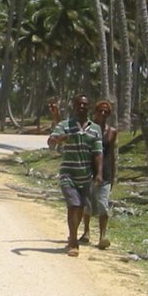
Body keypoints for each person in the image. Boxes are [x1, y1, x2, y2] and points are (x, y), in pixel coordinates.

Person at [47, 94, 102, 256]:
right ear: (74, 106)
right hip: (68, 174)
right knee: (74, 205)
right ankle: (73, 242)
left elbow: (98, 153)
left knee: (80, 208)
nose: (82, 107)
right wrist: (60, 139)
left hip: (85, 175)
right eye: (79, 104)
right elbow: (51, 140)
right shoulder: (65, 125)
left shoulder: (95, 129)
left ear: (89, 107)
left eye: (85, 104)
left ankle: (73, 235)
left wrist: (98, 173)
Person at [82, 99, 117, 250]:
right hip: (88, 170)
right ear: (95, 111)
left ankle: (102, 236)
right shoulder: (88, 128)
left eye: (106, 111)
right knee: (87, 205)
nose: (103, 113)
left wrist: (113, 175)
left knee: (103, 205)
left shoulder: (112, 132)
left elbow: (112, 154)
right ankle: (86, 232)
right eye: (100, 110)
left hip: (106, 172)